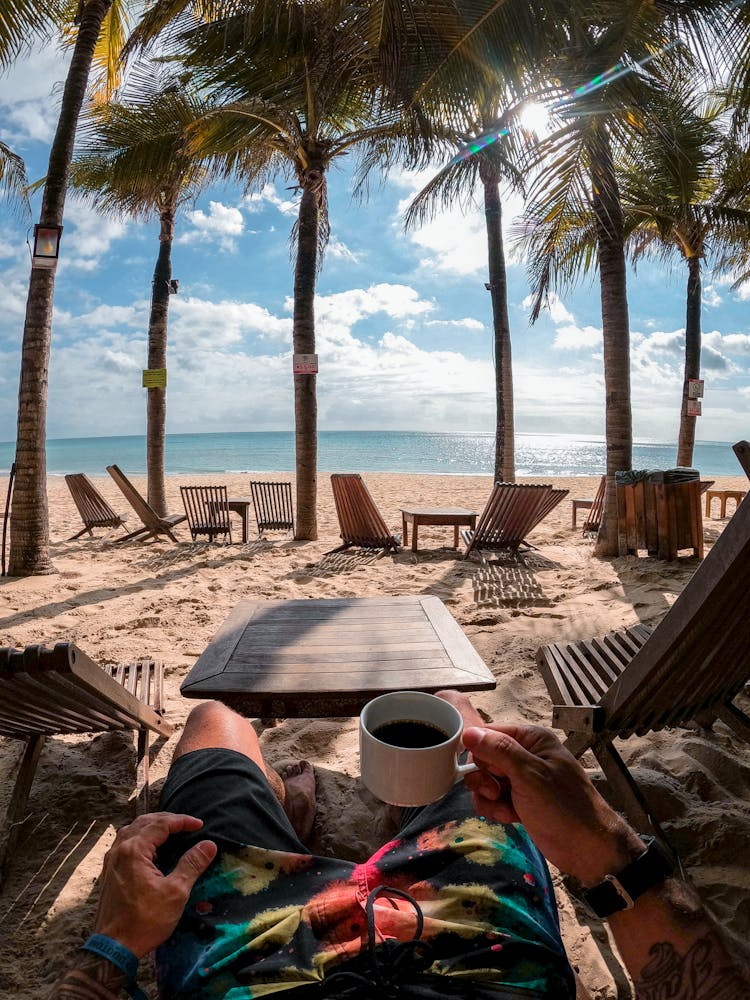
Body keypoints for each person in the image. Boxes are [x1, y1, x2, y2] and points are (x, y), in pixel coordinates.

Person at [48, 693, 748, 999]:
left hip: (246, 952)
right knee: (458, 716)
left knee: (214, 721)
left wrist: (114, 941)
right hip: (485, 941)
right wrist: (607, 845)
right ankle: (369, 829)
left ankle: (289, 807)